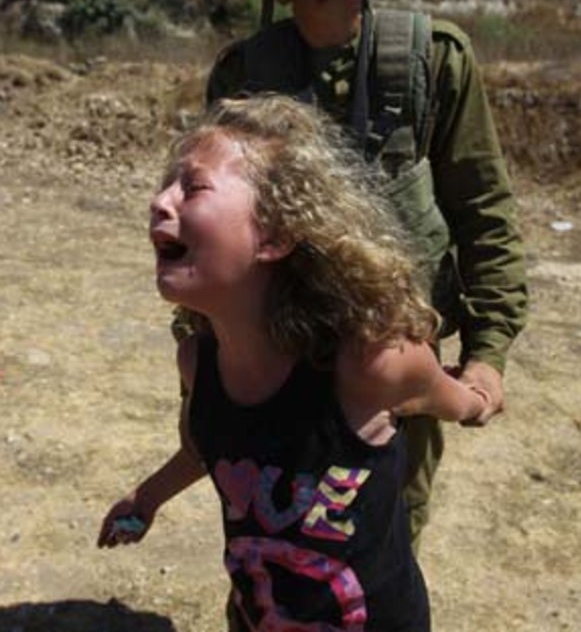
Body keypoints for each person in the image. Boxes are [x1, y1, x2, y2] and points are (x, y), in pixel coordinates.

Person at [183, 0, 529, 549]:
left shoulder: (435, 59)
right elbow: (209, 227)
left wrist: (488, 352)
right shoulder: (245, 76)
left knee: (382, 551)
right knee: (273, 551)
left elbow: (484, 213)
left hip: (392, 368)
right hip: (277, 364)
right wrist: (197, 347)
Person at [99, 94, 492, 631]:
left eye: (192, 187)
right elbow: (207, 446)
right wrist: (148, 497)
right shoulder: (198, 361)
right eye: (166, 184)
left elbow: (451, 399)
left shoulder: (368, 363)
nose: (160, 201)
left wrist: (481, 393)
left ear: (276, 234)